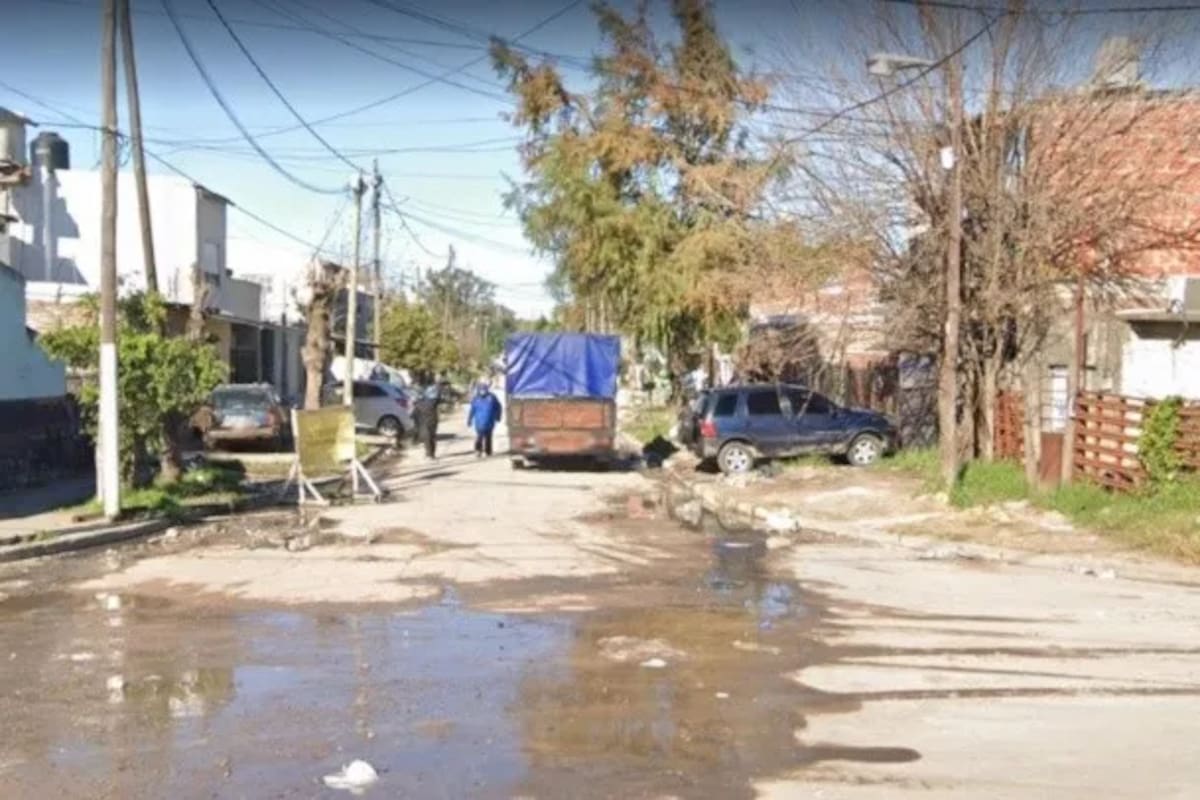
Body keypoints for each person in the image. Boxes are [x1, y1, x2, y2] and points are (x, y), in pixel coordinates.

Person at [466, 382, 503, 458]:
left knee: (488, 437)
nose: (483, 391)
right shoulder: (476, 399)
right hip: (479, 422)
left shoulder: (492, 397)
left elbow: (498, 407)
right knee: (479, 436)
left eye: (484, 389)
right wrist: (469, 419)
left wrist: (498, 416)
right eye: (481, 390)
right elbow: (472, 410)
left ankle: (488, 451)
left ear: (487, 389)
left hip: (490, 421)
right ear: (479, 390)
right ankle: (478, 450)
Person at [415, 372, 441, 459]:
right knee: (427, 435)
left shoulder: (433, 395)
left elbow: (436, 399)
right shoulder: (421, 394)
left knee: (430, 435)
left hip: (431, 417)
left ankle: (431, 453)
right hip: (425, 418)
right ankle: (429, 453)